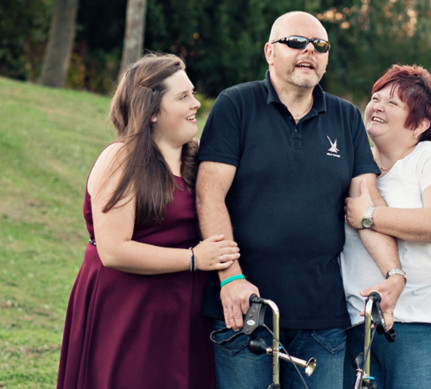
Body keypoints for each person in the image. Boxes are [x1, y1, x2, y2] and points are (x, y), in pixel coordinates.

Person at [196, 11, 402, 389]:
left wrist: (394, 274)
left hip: (322, 317)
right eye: (296, 42)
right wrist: (231, 277)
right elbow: (210, 195)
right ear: (270, 52)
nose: (309, 50)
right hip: (246, 310)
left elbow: (367, 208)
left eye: (320, 45)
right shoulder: (235, 105)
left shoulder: (346, 117)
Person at [56, 53, 240, 389]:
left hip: (182, 311)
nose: (196, 104)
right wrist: (195, 258)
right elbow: (113, 250)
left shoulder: (196, 159)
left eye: (193, 93)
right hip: (127, 309)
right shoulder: (121, 158)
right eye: (183, 97)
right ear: (152, 111)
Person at [340, 64, 431, 388]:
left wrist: (369, 215)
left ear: (419, 124)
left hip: (424, 322)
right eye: (376, 98)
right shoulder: (353, 163)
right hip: (359, 321)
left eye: (393, 103)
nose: (377, 106)